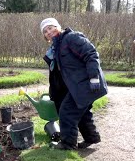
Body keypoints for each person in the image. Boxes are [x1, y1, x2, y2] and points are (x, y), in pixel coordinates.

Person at [40, 18, 108, 150]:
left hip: (87, 83)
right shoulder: (56, 47)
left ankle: (67, 144)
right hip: (78, 85)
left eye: (51, 27)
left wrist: (94, 78)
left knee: (67, 112)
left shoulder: (71, 38)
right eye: (45, 31)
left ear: (58, 27)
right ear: (44, 36)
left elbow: (91, 54)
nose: (49, 31)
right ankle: (91, 137)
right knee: (81, 111)